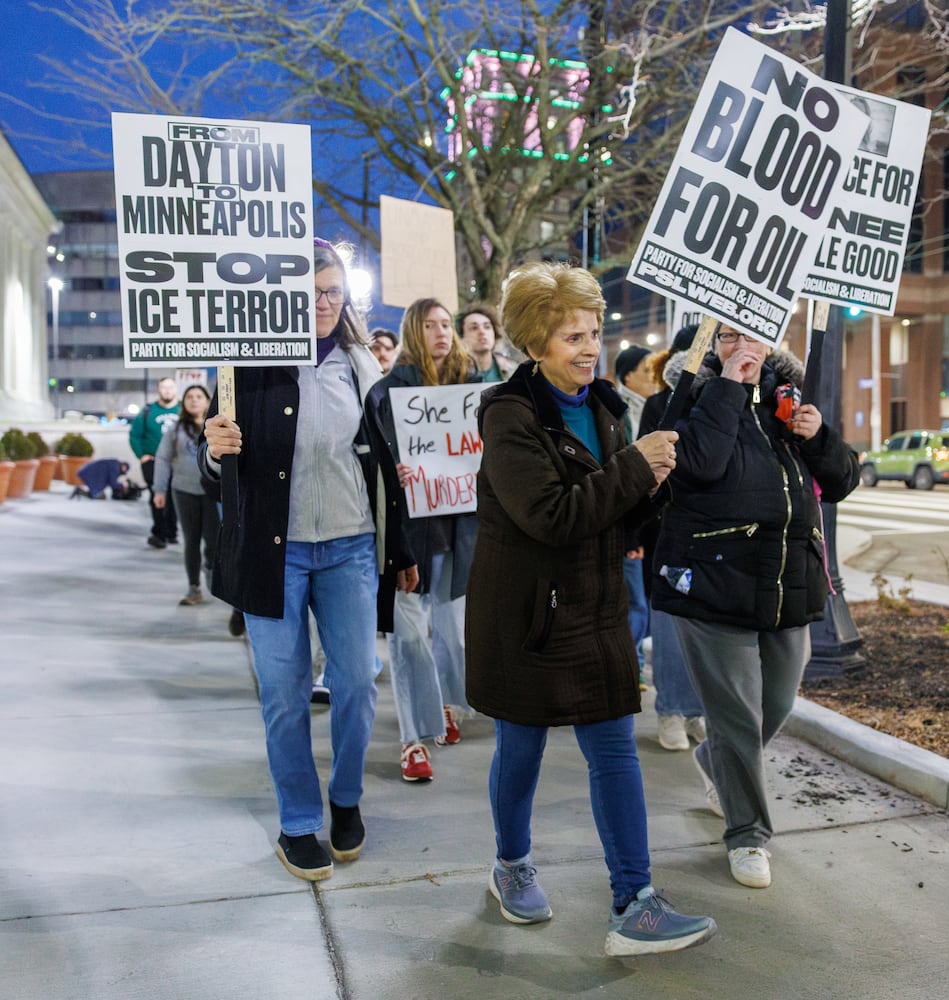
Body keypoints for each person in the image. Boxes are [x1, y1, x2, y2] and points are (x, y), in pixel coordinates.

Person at [465, 260, 717, 957]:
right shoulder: (509, 415)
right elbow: (551, 515)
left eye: (594, 332)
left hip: (596, 606)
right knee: (521, 748)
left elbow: (616, 516)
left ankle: (634, 900)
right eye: (572, 335)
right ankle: (511, 866)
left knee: (614, 751)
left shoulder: (607, 406)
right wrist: (635, 468)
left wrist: (655, 487)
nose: (588, 348)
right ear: (535, 343)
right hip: (527, 617)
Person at [199, 238, 417, 882]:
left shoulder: (359, 365)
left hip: (349, 546)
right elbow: (218, 469)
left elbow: (385, 469)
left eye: (333, 291)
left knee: (355, 680)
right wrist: (216, 449)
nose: (323, 303)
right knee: (285, 694)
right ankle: (299, 821)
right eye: (311, 291)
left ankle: (344, 797)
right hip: (276, 555)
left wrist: (399, 544)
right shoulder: (246, 365)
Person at [652, 327, 860, 890]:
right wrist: (725, 386)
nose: (743, 343)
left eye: (754, 333)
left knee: (777, 703)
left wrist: (818, 438)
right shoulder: (679, 396)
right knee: (737, 717)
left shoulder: (786, 397)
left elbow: (840, 481)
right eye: (727, 335)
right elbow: (695, 467)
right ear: (707, 343)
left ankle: (716, 764)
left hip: (787, 583)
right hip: (713, 582)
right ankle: (748, 835)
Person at [366, 298, 479, 782]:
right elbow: (368, 457)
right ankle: (412, 739)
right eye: (429, 324)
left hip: (458, 525)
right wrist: (393, 470)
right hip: (407, 529)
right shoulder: (386, 392)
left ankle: (449, 705)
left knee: (452, 631)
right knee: (409, 637)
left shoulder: (472, 388)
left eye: (446, 324)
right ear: (414, 331)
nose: (440, 332)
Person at [638, 326, 707, 752]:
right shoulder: (659, 403)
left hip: (714, 536)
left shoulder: (725, 398)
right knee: (668, 626)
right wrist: (639, 535)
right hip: (669, 531)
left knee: (704, 629)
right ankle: (671, 711)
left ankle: (697, 709)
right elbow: (646, 472)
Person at [153, 384, 220, 607]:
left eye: (199, 396)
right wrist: (159, 489)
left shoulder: (217, 426)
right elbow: (162, 458)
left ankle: (212, 578)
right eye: (189, 396)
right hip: (183, 491)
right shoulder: (175, 429)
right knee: (191, 540)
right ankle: (194, 587)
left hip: (212, 492)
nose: (194, 400)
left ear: (208, 400)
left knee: (213, 541)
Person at [614, 344, 656, 689]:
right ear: (627, 376)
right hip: (630, 526)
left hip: (642, 525)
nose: (651, 377)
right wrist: (632, 535)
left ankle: (634, 665)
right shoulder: (621, 412)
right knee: (636, 603)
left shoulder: (649, 407)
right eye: (645, 371)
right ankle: (628, 668)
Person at [129, 376, 180, 548]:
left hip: (178, 462)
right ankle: (159, 533)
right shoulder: (148, 411)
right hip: (153, 460)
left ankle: (171, 532)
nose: (167, 391)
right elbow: (134, 435)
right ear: (158, 390)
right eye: (163, 387)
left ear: (175, 389)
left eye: (170, 387)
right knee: (157, 494)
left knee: (175, 497)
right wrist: (141, 455)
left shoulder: (183, 410)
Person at [457, 303, 517, 382]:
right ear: (461, 337)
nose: (482, 332)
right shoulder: (455, 373)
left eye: (487, 327)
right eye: (474, 328)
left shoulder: (512, 369)